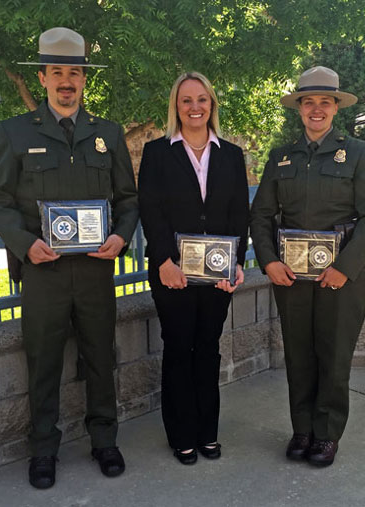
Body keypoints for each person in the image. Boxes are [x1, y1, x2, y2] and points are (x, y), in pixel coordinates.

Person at [0, 27, 139, 488]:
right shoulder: (13, 132)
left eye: (75, 72)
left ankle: (105, 440)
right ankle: (44, 449)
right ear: (45, 78)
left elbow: (129, 200)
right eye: (57, 72)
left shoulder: (107, 134)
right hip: (43, 272)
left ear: (84, 80)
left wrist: (121, 236)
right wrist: (23, 243)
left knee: (99, 355)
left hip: (95, 269)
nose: (67, 80)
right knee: (44, 360)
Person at [250, 66, 365, 467]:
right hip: (291, 277)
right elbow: (260, 216)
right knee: (299, 354)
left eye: (324, 102)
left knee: (333, 354)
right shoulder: (282, 158)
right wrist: (269, 262)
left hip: (341, 279)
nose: (316, 109)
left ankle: (326, 434)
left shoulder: (359, 153)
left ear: (335, 107)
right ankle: (302, 429)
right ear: (299, 108)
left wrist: (344, 267)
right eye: (308, 102)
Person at [138, 72, 249, 465]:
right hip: (173, 273)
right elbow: (151, 211)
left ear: (212, 104)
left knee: (208, 349)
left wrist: (237, 262)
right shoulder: (157, 153)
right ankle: (181, 435)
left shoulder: (232, 155)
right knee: (178, 349)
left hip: (217, 273)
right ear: (176, 106)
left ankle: (207, 431)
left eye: (202, 99)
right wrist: (164, 261)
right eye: (186, 100)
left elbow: (240, 214)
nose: (195, 107)